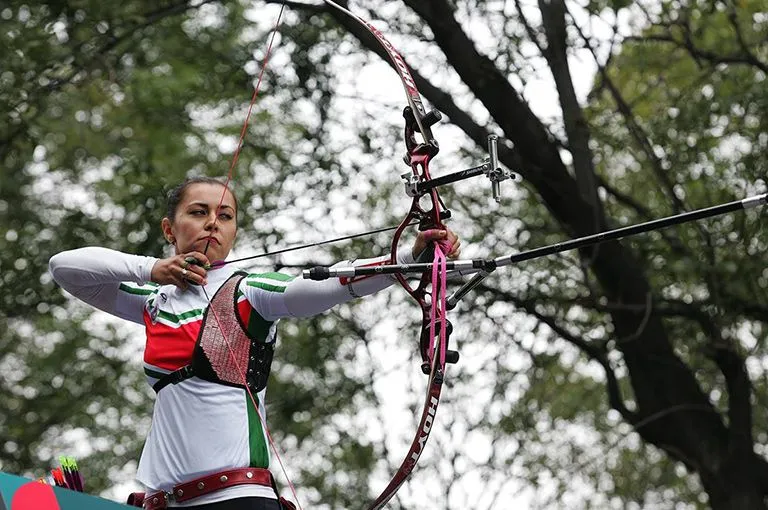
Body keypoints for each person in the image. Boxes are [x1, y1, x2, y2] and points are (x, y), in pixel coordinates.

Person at [48, 177, 461, 510]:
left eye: (225, 216)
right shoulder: (155, 304)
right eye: (199, 212)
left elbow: (324, 283)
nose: (213, 222)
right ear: (169, 229)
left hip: (237, 501)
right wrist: (150, 268)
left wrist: (407, 261)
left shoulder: (248, 292)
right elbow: (65, 268)